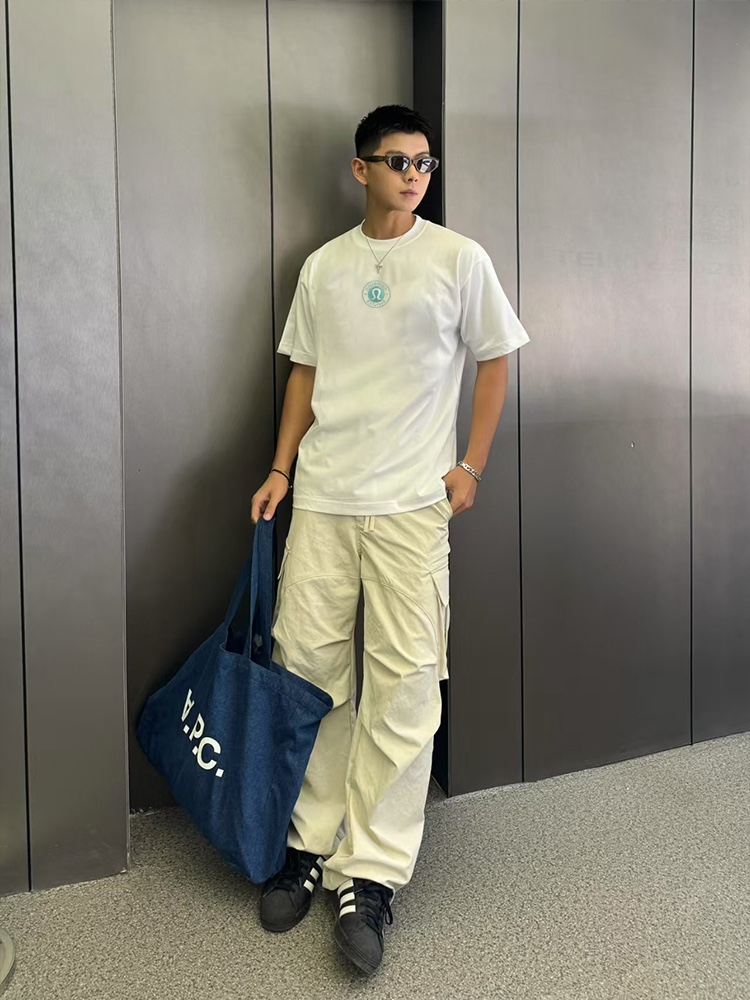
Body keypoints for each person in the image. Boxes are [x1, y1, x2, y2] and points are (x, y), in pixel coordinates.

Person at [250, 104, 530, 976]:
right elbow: (305, 372)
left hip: (412, 507)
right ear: (360, 169)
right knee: (311, 673)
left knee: (405, 685)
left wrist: (471, 465)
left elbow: (496, 356)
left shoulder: (457, 258)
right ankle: (310, 843)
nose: (413, 175)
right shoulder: (325, 266)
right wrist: (281, 468)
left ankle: (370, 875)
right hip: (325, 500)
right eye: (397, 161)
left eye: (423, 163)